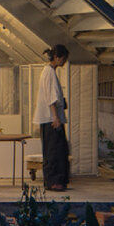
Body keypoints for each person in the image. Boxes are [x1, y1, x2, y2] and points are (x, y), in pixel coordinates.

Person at [34, 44, 70, 191]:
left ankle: (54, 180)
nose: (64, 61)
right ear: (57, 57)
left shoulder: (49, 72)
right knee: (55, 150)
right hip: (51, 119)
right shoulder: (49, 73)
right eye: (64, 58)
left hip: (50, 118)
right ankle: (54, 180)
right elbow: (51, 97)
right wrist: (55, 117)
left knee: (55, 149)